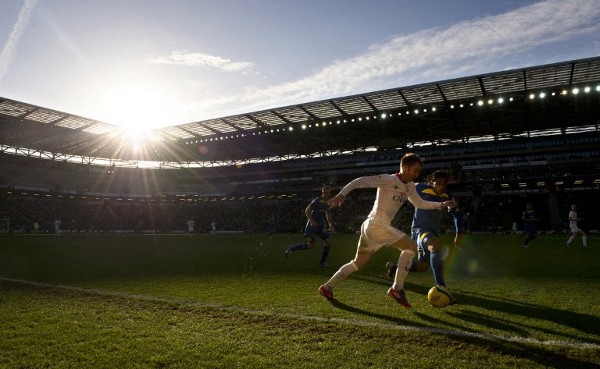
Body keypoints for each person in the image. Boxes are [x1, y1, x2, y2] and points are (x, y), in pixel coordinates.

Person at [318, 153, 455, 308]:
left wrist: (441, 205)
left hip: (373, 228)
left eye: (418, 172)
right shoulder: (388, 179)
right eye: (414, 171)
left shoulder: (410, 186)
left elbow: (420, 203)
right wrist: (342, 194)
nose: (417, 175)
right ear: (405, 167)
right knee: (410, 247)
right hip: (375, 225)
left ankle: (327, 287)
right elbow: (361, 181)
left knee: (357, 263)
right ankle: (397, 289)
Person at [385, 170, 462, 303]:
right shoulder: (419, 187)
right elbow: (403, 185)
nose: (441, 187)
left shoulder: (447, 195)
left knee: (423, 266)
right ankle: (441, 286)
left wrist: (458, 233)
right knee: (435, 246)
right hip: (420, 230)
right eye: (438, 183)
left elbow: (457, 214)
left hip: (434, 231)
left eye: (444, 184)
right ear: (431, 182)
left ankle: (395, 268)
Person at [285, 185, 335, 267]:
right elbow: (307, 210)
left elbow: (328, 213)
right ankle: (291, 248)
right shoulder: (317, 201)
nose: (327, 194)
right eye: (325, 192)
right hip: (312, 227)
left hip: (321, 226)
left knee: (328, 243)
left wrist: (330, 224)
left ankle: (322, 263)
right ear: (322, 193)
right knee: (310, 246)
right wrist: (311, 221)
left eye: (329, 193)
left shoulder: (328, 202)